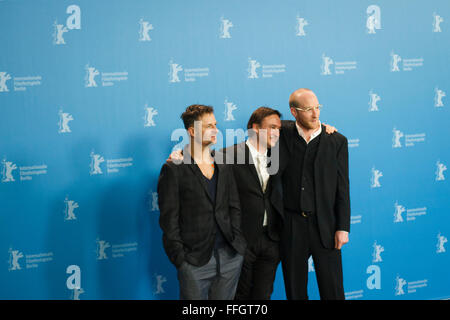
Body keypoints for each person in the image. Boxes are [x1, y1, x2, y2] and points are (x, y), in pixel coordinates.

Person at [157, 104, 246, 300]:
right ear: (192, 131)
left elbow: (234, 206)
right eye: (208, 126)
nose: (215, 130)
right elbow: (169, 220)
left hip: (230, 256)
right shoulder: (175, 168)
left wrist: (238, 244)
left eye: (215, 124)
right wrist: (181, 260)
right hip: (194, 261)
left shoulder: (223, 162)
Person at [278, 88, 350, 300]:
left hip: (325, 226)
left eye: (317, 107)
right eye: (308, 109)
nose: (316, 114)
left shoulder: (336, 141)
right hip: (292, 226)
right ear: (294, 112)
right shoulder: (281, 134)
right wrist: (187, 154)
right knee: (295, 292)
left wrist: (343, 227)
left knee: (333, 291)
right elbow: (252, 135)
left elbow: (343, 188)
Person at [224, 107, 284, 300]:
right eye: (272, 127)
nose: (276, 132)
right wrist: (179, 159)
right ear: (255, 128)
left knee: (263, 295)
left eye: (279, 129)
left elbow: (301, 128)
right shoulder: (228, 155)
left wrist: (324, 127)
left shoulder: (278, 156)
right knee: (239, 296)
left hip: (271, 240)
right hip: (242, 240)